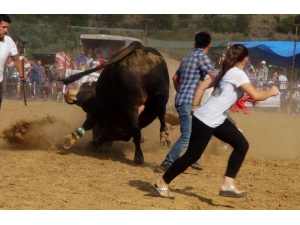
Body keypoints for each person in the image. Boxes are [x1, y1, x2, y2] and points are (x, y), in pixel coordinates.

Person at [151, 44, 279, 199]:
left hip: (216, 119)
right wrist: (272, 91)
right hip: (207, 120)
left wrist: (195, 107)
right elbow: (257, 95)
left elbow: (202, 86)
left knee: (241, 145)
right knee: (192, 156)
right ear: (246, 59)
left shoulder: (224, 71)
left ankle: (227, 184)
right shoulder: (238, 74)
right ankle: (162, 182)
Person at [154, 32, 216, 173]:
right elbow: (214, 76)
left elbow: (176, 78)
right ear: (210, 46)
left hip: (182, 100)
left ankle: (192, 157)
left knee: (206, 130)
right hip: (190, 102)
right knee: (187, 135)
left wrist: (180, 91)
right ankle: (167, 163)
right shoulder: (203, 57)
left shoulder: (187, 58)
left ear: (194, 45)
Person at [0, 15, 24, 108]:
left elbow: (16, 58)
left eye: (7, 28)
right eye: (3, 27)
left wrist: (21, 74)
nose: (6, 30)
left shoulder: (8, 41)